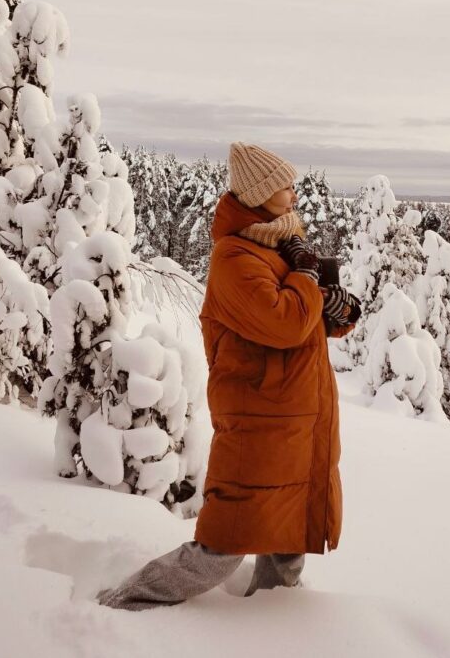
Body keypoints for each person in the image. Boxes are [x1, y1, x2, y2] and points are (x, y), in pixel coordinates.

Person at [96, 141, 360, 610]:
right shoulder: (234, 259)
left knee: (289, 532)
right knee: (226, 539)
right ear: (260, 194)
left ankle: (275, 618)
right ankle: (127, 602)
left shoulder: (278, 246)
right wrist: (308, 279)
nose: (295, 193)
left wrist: (336, 307)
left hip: (297, 418)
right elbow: (284, 322)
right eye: (285, 185)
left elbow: (307, 320)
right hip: (261, 420)